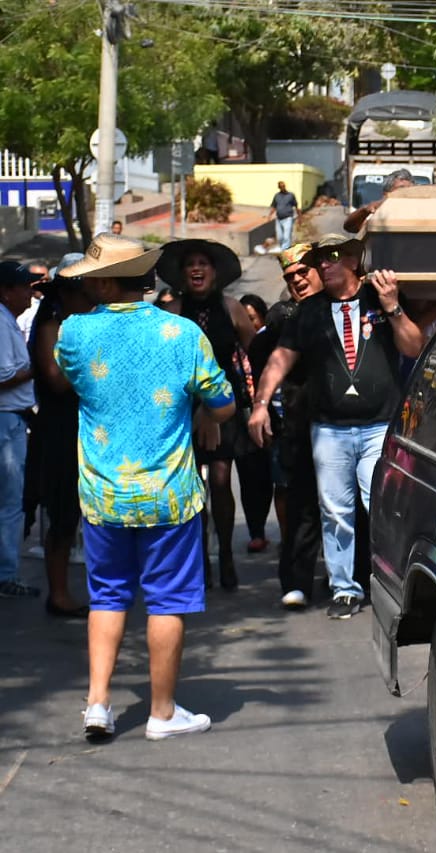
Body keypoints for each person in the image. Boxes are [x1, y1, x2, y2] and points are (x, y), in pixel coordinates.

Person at [54, 234, 236, 740]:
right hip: (169, 493)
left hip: (103, 492)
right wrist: (202, 411)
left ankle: (97, 703)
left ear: (109, 280)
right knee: (167, 602)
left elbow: (79, 383)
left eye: (93, 276)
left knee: (107, 598)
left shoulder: (73, 333)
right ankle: (161, 712)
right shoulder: (181, 334)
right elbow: (222, 403)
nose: (87, 284)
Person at [247, 234, 423, 619]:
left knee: (378, 504)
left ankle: (390, 582)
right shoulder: (307, 312)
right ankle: (344, 588)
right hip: (329, 429)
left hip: (379, 426)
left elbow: (413, 347)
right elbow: (279, 358)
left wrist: (393, 306)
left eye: (331, 257)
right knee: (335, 510)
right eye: (320, 259)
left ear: (353, 261)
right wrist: (260, 404)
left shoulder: (381, 296)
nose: (323, 265)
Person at [157, 239, 257, 590]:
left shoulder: (232, 308)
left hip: (224, 404)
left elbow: (254, 355)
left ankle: (226, 554)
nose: (197, 269)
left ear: (215, 272)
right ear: (182, 274)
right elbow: (162, 365)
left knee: (219, 479)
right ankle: (199, 558)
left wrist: (259, 405)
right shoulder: (171, 312)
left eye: (204, 263)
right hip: (182, 407)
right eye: (190, 264)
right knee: (191, 486)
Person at [24, 253, 92, 617]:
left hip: (83, 422)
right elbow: (55, 378)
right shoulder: (52, 323)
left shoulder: (79, 323)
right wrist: (93, 364)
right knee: (63, 510)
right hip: (61, 426)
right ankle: (59, 592)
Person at [258, 243, 325, 609]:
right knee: (300, 505)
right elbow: (264, 360)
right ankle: (297, 581)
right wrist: (261, 406)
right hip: (300, 423)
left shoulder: (347, 305)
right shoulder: (283, 317)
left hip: (351, 424)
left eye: (304, 272)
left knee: (352, 509)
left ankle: (351, 578)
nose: (298, 280)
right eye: (290, 277)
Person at [0, 261, 40, 599]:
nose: (30, 292)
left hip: (13, 417)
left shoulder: (8, 322)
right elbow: (3, 377)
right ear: (6, 291)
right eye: (24, 286)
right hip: (6, 419)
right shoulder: (0, 322)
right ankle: (5, 574)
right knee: (10, 502)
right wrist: (37, 367)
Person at [237, 292, 274, 554]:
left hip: (271, 418)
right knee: (250, 478)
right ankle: (256, 531)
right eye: (243, 319)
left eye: (253, 318)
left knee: (272, 477)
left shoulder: (271, 345)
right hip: (241, 419)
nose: (248, 324)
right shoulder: (233, 349)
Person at [343, 168, 413, 234]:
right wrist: (365, 210)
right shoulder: (378, 215)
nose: (406, 193)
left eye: (411, 189)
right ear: (386, 193)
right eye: (401, 189)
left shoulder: (418, 212)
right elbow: (350, 227)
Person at [268, 181, 300, 249]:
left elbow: (296, 206)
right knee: (279, 237)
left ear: (285, 186)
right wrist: (269, 215)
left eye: (283, 186)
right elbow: (274, 206)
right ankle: (282, 248)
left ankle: (284, 251)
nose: (282, 187)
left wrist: (299, 217)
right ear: (279, 187)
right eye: (281, 186)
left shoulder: (291, 195)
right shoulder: (277, 196)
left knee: (286, 236)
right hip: (279, 219)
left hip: (288, 218)